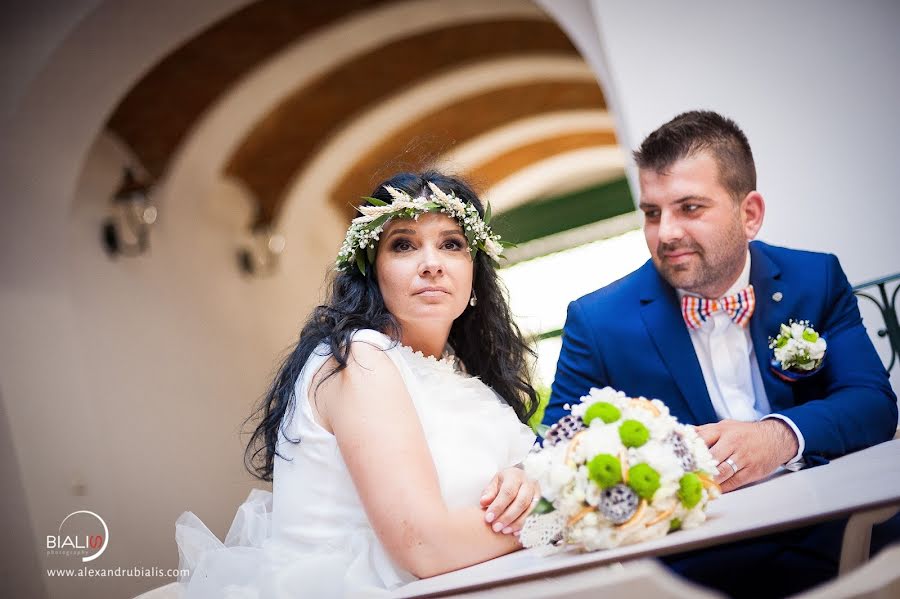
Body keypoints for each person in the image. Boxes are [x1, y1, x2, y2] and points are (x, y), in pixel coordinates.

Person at [546, 110, 898, 596]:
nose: (665, 233)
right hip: (700, 567)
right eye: (652, 213)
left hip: (840, 528)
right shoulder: (598, 321)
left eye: (689, 208)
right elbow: (558, 447)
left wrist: (779, 438)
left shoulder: (815, 279)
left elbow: (872, 402)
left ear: (749, 213)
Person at [175, 172, 540, 597]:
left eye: (451, 244)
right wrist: (556, 509)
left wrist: (524, 483)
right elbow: (425, 548)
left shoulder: (460, 373)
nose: (431, 263)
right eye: (403, 244)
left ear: (475, 271)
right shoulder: (358, 358)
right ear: (373, 272)